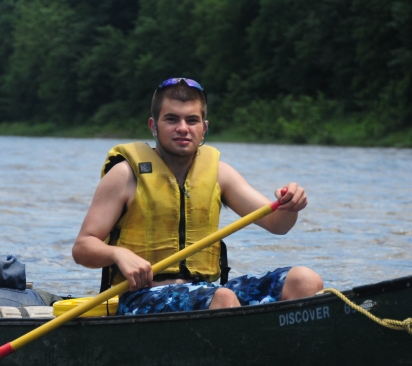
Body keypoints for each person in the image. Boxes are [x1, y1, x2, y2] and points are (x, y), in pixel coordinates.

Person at [72, 77, 323, 315]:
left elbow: (277, 225)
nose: (183, 128)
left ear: (204, 128)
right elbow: (83, 247)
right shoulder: (125, 175)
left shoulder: (219, 174)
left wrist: (291, 205)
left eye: (192, 120)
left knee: (304, 280)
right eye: (172, 119)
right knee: (223, 298)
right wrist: (118, 254)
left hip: (208, 292)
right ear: (153, 126)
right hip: (141, 297)